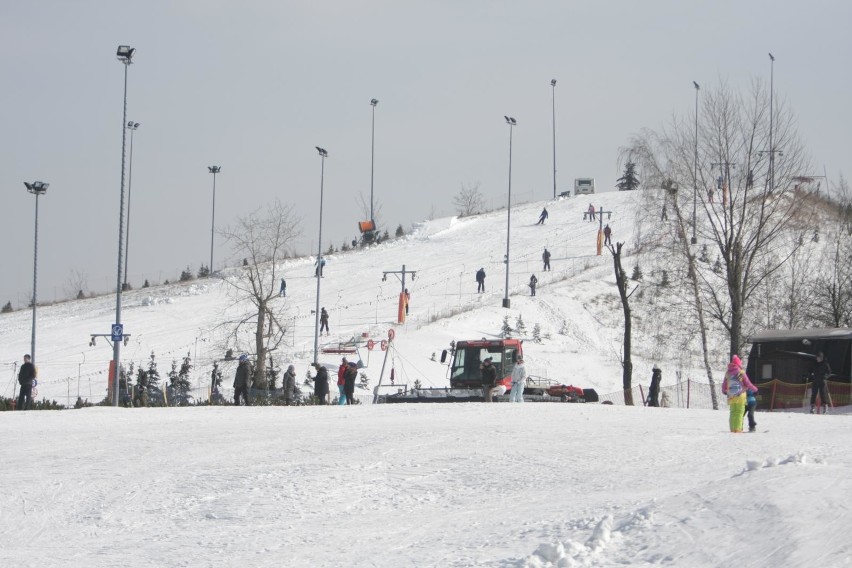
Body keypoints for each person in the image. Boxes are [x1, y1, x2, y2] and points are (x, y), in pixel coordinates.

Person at [721, 354, 757, 433]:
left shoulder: (727, 373)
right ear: (739, 364)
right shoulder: (741, 372)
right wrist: (755, 390)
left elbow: (724, 384)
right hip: (740, 395)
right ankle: (738, 429)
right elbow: (748, 383)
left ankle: (732, 428)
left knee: (733, 412)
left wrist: (724, 391)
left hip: (731, 396)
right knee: (739, 413)